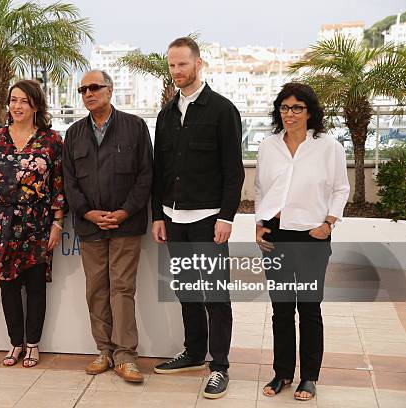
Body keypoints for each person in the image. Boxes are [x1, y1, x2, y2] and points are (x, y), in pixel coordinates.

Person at [151, 37, 244, 399]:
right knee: (186, 290)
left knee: (216, 296)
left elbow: (233, 172)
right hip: (173, 218)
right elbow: (161, 170)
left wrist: (227, 217)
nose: (177, 71)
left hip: (209, 220)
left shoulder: (222, 110)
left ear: (199, 63)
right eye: (172, 65)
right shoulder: (166, 113)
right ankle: (192, 353)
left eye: (183, 64)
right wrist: (158, 215)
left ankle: (218, 366)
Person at [255, 82, 350, 401]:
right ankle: (282, 373)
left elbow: (341, 189)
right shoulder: (268, 145)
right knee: (281, 310)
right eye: (284, 107)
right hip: (275, 236)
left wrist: (328, 223)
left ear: (310, 112)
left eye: (297, 108)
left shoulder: (328, 146)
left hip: (311, 236)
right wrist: (259, 223)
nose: (290, 114)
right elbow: (260, 189)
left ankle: (308, 377)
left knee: (309, 309)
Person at [62, 70, 153, 383]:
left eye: (94, 87)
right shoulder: (73, 133)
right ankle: (103, 351)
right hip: (90, 227)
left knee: (122, 288)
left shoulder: (135, 127)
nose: (88, 93)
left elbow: (146, 176)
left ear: (110, 90)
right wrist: (88, 213)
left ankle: (126, 355)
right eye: (83, 89)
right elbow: (69, 181)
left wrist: (125, 212)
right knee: (96, 289)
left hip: (126, 225)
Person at [0, 80, 64, 368]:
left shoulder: (51, 140)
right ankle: (15, 344)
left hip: (37, 223)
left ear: (36, 105)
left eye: (23, 101)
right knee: (8, 287)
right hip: (0, 222)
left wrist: (57, 223)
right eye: (13, 100)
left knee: (36, 286)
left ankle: (33, 345)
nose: (16, 106)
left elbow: (58, 186)